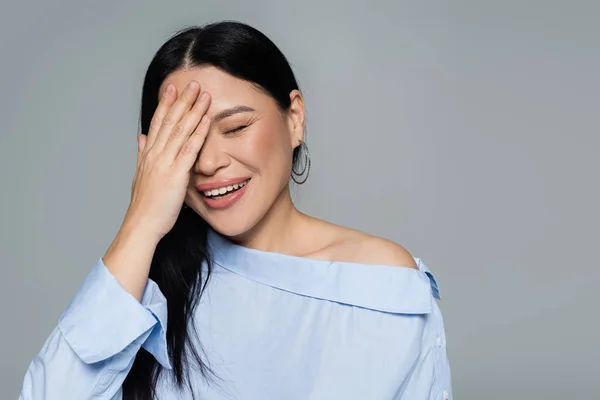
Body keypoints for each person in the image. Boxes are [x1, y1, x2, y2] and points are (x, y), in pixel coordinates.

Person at [19, 20, 452, 400]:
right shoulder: (141, 288)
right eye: (185, 140)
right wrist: (141, 223)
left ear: (294, 118)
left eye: (236, 127)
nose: (208, 163)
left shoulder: (383, 286)